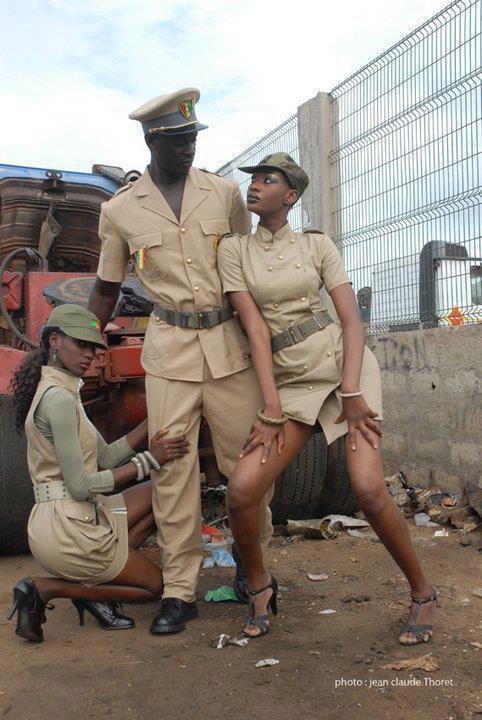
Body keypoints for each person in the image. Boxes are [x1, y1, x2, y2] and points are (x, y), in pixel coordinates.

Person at [216, 152, 437, 645]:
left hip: (343, 367)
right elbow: (254, 329)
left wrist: (354, 391)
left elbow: (352, 320)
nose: (254, 186)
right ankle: (258, 585)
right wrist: (270, 405)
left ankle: (422, 592)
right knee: (242, 491)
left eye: (267, 180)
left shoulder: (317, 245)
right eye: (252, 179)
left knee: (368, 490)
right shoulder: (235, 251)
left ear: (290, 196)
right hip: (291, 382)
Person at [87, 87, 273, 635]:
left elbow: (254, 266)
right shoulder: (120, 211)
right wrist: (73, 348)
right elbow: (104, 286)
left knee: (250, 464)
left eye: (193, 137)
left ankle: (252, 568)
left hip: (230, 348)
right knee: (173, 470)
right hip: (168, 353)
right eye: (177, 140)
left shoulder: (224, 194)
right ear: (151, 140)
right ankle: (179, 589)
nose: (189, 147)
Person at [7, 304, 189, 643]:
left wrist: (155, 422)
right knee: (158, 588)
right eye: (81, 344)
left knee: (160, 491)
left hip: (70, 517)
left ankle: (99, 581)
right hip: (68, 530)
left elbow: (104, 457)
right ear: (55, 341)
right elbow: (79, 486)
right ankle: (46, 589)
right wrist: (149, 460)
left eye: (94, 347)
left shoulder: (64, 391)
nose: (90, 354)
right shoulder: (58, 400)